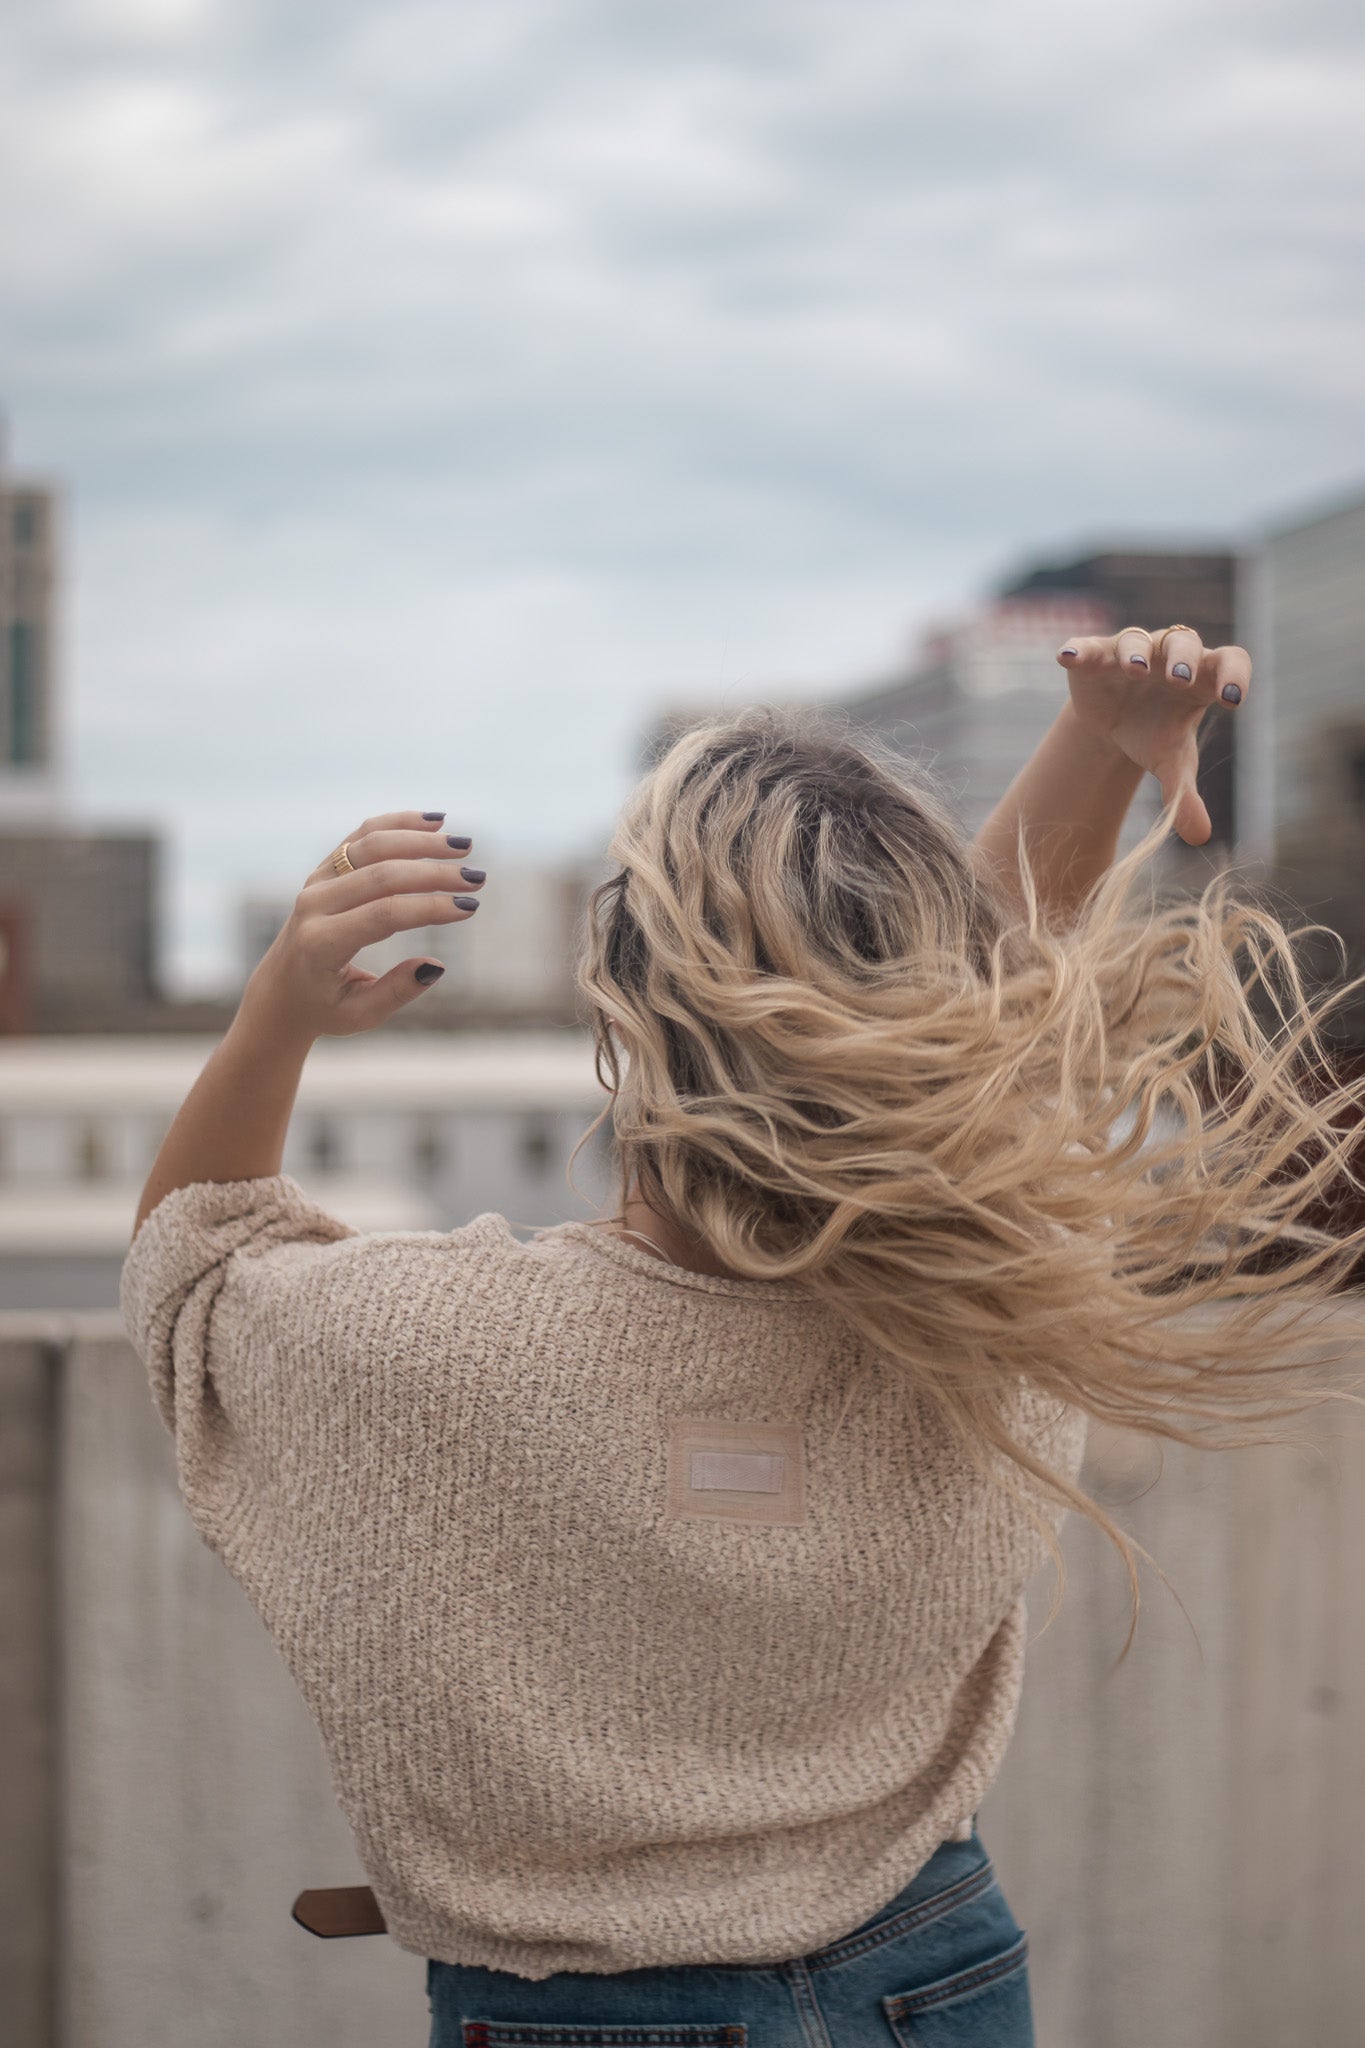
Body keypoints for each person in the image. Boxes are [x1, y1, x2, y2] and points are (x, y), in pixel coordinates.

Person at [120, 623, 1365, 2048]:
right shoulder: (1005, 1316)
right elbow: (985, 1032)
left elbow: (190, 1266)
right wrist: (1096, 749)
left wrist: (275, 1015)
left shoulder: (432, 1350)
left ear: (621, 1010)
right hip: (940, 1977)